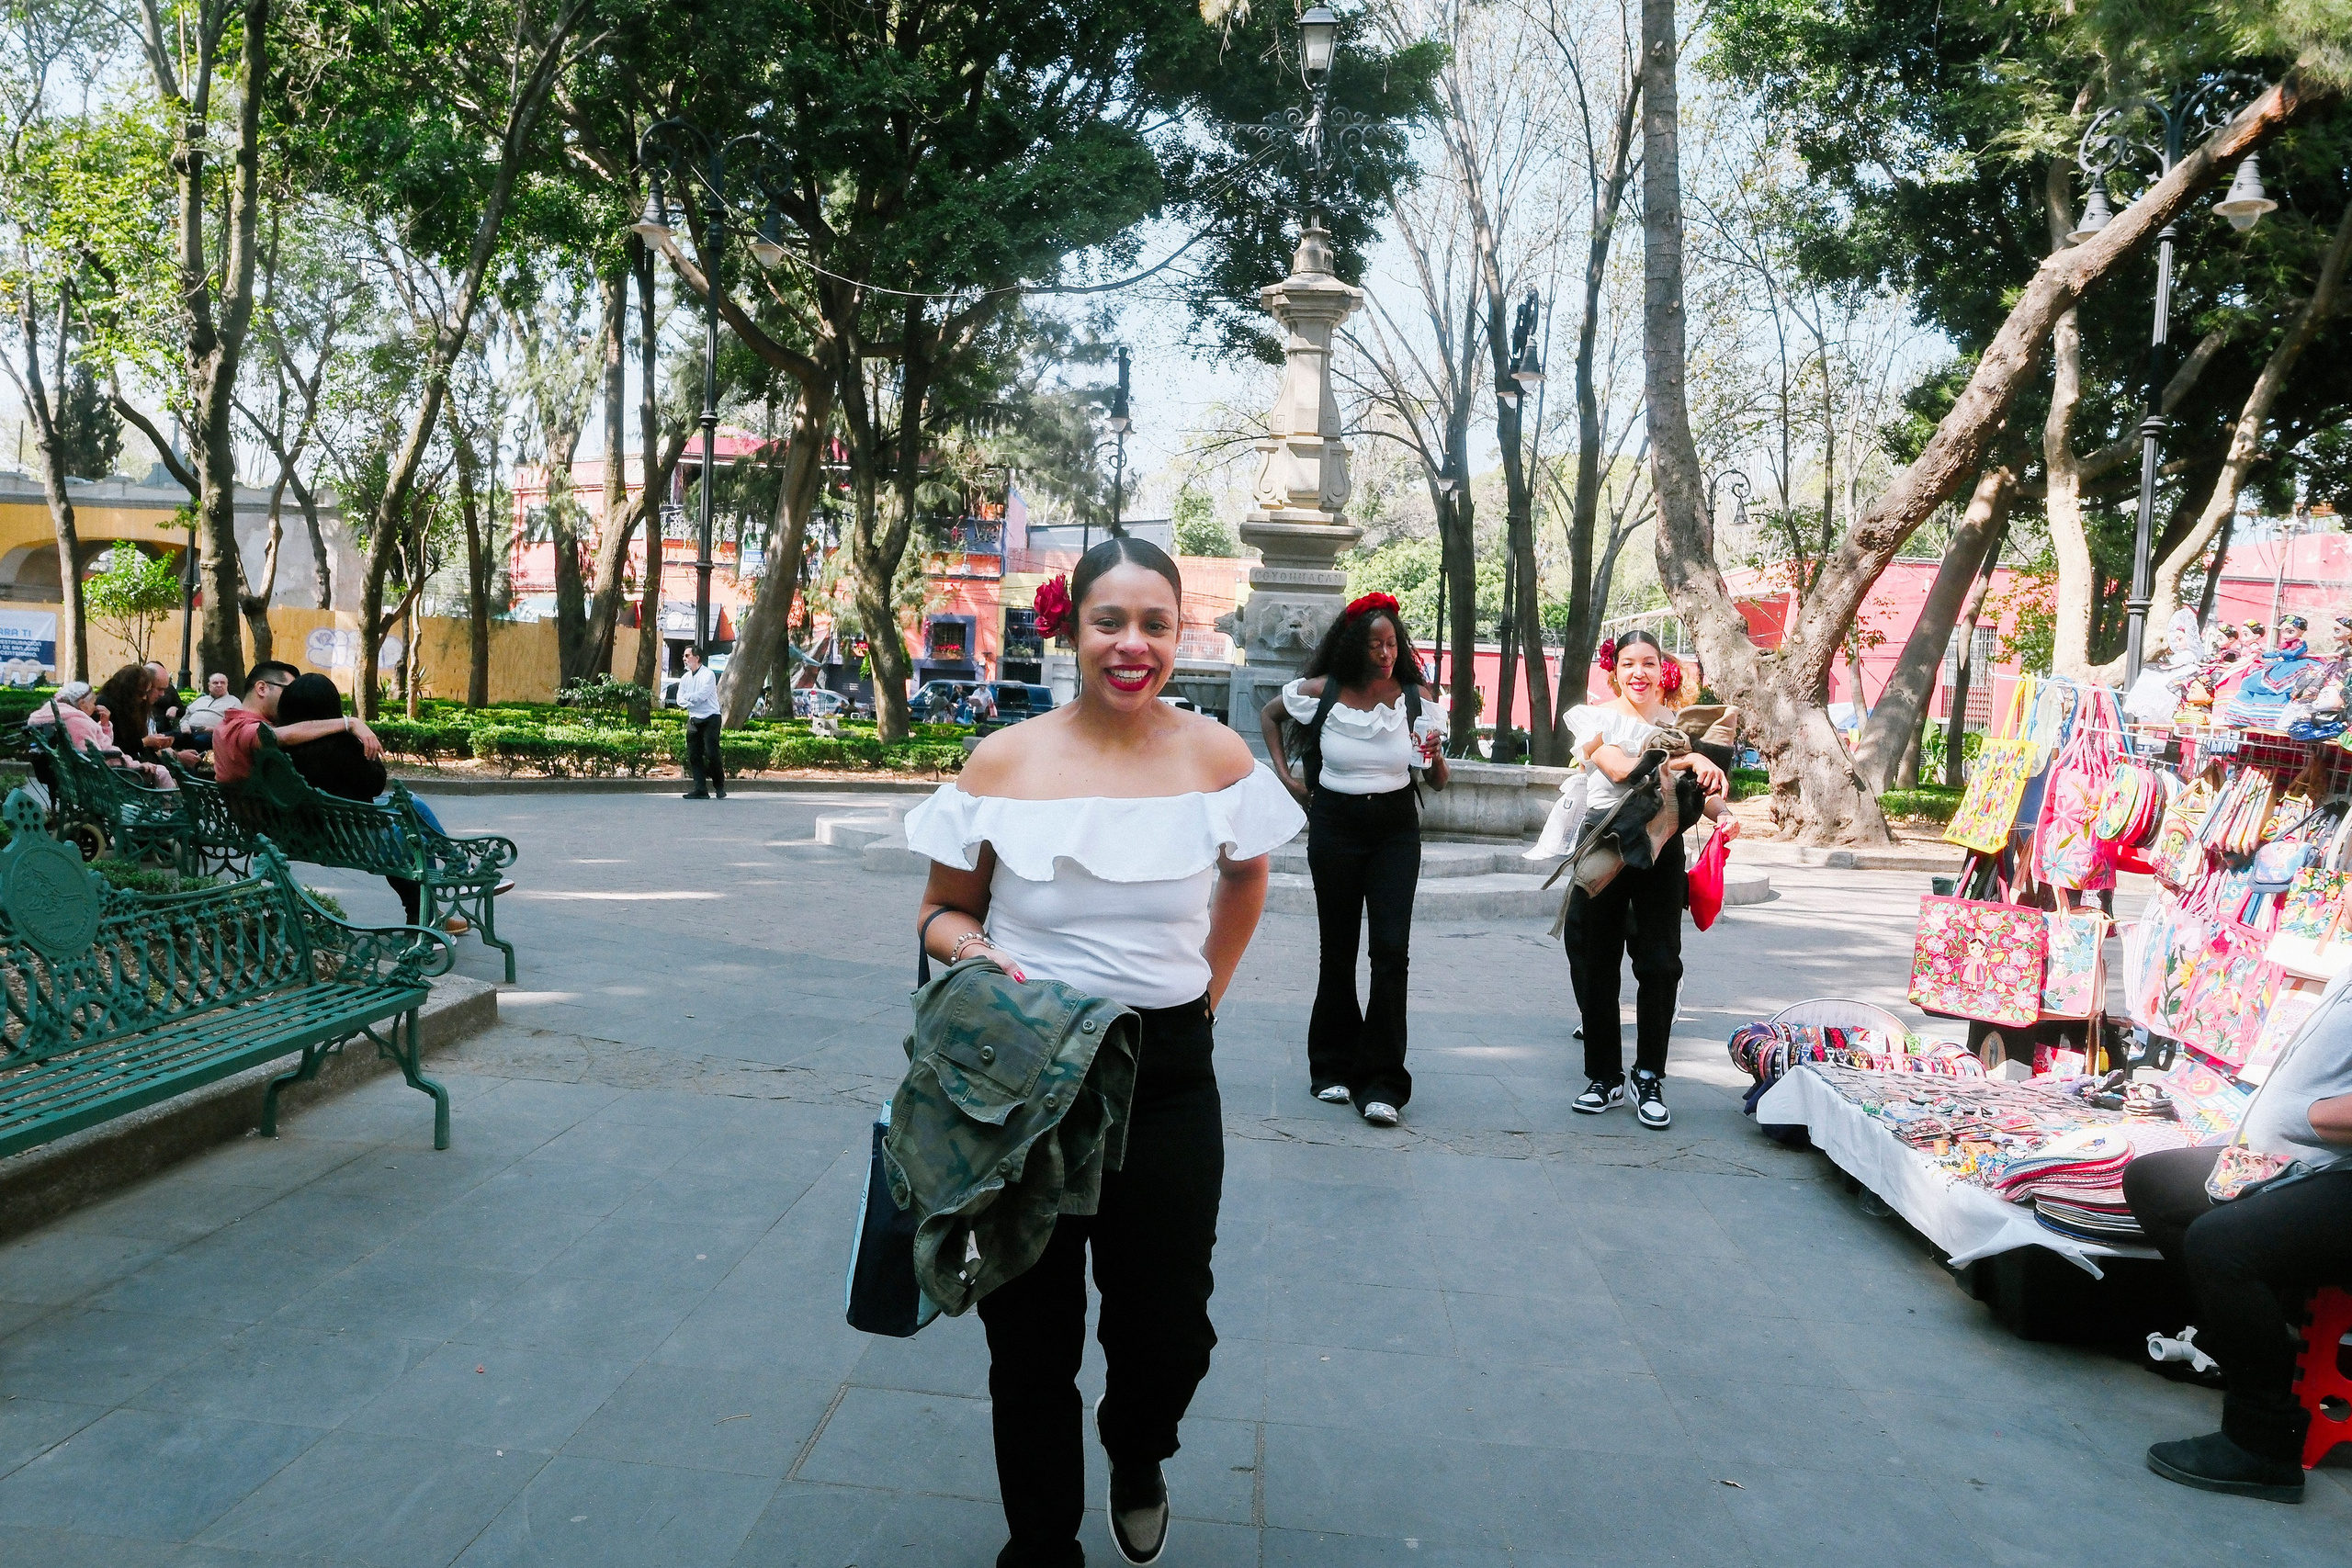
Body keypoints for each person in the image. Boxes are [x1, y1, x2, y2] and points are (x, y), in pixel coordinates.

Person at [904, 536, 1300, 1568]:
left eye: (1154, 624)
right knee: (1028, 1339)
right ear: (1070, 629)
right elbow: (942, 911)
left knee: (1168, 1326)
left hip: (1165, 1077)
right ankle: (1040, 1547)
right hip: (1027, 1079)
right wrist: (982, 956)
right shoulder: (1004, 762)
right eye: (1109, 621)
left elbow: (1247, 875)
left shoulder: (1215, 756)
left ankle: (1137, 1446)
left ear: (1178, 633)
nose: (1133, 645)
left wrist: (1204, 993)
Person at [2122, 980, 2352, 1504]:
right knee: (2157, 1185)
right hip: (2303, 1160)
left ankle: (2263, 1444)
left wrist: (2298, 1117)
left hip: (2338, 1174)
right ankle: (2244, 1348)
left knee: (2222, 1243)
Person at [1258, 592, 1448, 1127]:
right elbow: (1270, 715)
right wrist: (1287, 779)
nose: (1386, 654)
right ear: (1352, 646)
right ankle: (1332, 1067)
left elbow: (1437, 780)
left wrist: (1435, 756)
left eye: (1392, 644)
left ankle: (1383, 1081)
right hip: (1335, 829)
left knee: (1391, 952)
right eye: (1374, 645)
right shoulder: (1323, 692)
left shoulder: (1416, 698)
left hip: (1395, 833)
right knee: (1337, 950)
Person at [1562, 630, 1739, 1129]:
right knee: (1598, 962)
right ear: (1614, 671)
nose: (1638, 673)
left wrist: (1724, 813)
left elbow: (1699, 792)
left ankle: (1648, 1077)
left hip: (1662, 848)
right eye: (1628, 663)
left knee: (1660, 965)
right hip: (1606, 844)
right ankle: (1604, 1077)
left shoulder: (1680, 726)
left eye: (1648, 663)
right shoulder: (1592, 720)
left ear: (1663, 670)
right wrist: (1690, 757)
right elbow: (1622, 770)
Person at [213, 660, 382, 786]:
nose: (293, 696)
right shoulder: (245, 730)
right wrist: (348, 723)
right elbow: (274, 736)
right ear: (262, 689)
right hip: (268, 820)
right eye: (289, 689)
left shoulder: (223, 726)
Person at [27, 680, 177, 788]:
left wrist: (104, 724)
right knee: (161, 772)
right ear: (82, 704)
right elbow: (100, 755)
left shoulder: (58, 716)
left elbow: (97, 745)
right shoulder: (77, 721)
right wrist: (136, 765)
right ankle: (169, 815)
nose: (95, 706)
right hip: (102, 778)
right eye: (93, 702)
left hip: (81, 774)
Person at [675, 645, 724, 800]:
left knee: (712, 753)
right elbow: (679, 700)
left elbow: (701, 696)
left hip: (711, 718)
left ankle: (719, 786)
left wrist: (688, 698)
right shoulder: (685, 678)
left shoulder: (708, 675)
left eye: (687, 656)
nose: (684, 659)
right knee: (694, 755)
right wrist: (691, 699)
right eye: (684, 656)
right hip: (694, 719)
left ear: (697, 658)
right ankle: (700, 789)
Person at [179, 671, 237, 749]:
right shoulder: (201, 700)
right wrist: (185, 727)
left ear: (227, 685)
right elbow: (185, 718)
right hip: (188, 731)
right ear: (209, 686)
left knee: (199, 741)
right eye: (215, 683)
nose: (219, 685)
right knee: (169, 737)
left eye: (222, 683)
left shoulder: (234, 702)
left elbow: (235, 725)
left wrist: (215, 730)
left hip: (212, 735)